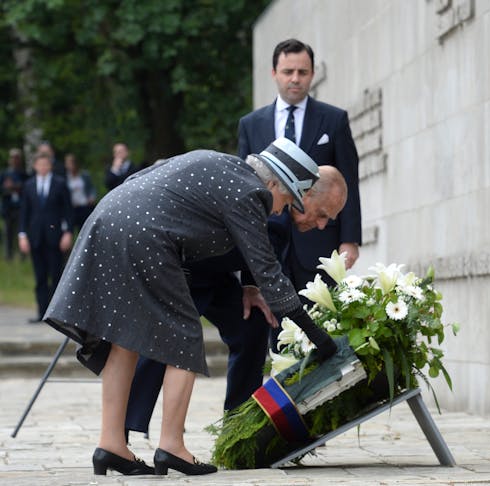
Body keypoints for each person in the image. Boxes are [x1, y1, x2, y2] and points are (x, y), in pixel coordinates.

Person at [43, 139, 338, 476]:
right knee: (183, 338)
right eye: (287, 199)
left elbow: (153, 173)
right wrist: (320, 338)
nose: (281, 208)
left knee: (124, 337)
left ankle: (111, 444)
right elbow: (268, 272)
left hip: (109, 217)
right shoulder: (250, 192)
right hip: (147, 236)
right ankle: (172, 447)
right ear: (273, 183)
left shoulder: (224, 166)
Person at [124, 164, 348, 437]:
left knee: (252, 324)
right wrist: (317, 336)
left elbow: (260, 258)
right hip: (182, 268)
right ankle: (124, 426)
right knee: (168, 339)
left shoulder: (284, 216)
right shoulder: (273, 209)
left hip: (215, 273)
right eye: (323, 214)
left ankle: (238, 424)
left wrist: (251, 287)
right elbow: (270, 271)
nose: (323, 225)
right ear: (306, 194)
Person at [237, 38, 362, 289]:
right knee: (273, 325)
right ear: (274, 73)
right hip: (267, 244)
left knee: (321, 322)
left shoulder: (334, 120)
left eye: (302, 72)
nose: (295, 79)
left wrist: (350, 240)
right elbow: (245, 187)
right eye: (288, 72)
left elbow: (348, 180)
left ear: (312, 74)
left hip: (320, 243)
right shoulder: (250, 124)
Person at [18, 152, 73, 322]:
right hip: (36, 237)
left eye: (45, 164)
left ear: (50, 166)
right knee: (40, 277)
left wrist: (68, 232)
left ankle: (56, 315)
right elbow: (24, 212)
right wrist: (22, 235)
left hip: (55, 237)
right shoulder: (28, 185)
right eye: (39, 164)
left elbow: (68, 211)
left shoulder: (60, 183)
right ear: (35, 166)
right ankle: (41, 313)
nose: (42, 167)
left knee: (56, 275)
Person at [1, 148, 29, 260]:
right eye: (13, 158)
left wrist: (16, 186)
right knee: (8, 232)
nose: (15, 160)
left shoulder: (23, 174)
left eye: (17, 158)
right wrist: (8, 188)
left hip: (20, 207)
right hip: (8, 207)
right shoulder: (5, 173)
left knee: (21, 231)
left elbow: (27, 188)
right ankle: (8, 255)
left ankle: (23, 255)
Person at [64, 153, 97, 233]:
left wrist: (92, 197)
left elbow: (91, 188)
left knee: (84, 230)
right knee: (69, 230)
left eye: (70, 163)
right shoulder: (65, 177)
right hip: (72, 208)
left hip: (84, 206)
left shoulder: (84, 175)